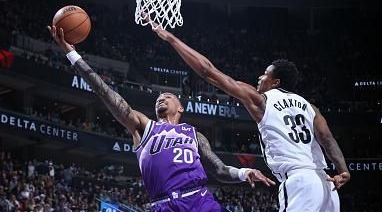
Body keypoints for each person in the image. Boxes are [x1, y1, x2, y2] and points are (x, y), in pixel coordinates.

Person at [47, 26, 275, 212]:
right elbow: (105, 92)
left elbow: (220, 171)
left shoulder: (194, 134)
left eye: (167, 96)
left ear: (181, 108)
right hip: (163, 205)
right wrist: (72, 55)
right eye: (158, 97)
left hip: (199, 201)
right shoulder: (143, 127)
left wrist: (245, 173)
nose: (160, 98)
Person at [149, 25, 351, 212]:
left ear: (275, 82)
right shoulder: (310, 107)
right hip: (327, 186)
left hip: (300, 182)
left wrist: (172, 39)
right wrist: (343, 170)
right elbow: (327, 139)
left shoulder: (261, 100)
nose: (259, 78)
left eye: (265, 74)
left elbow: (208, 71)